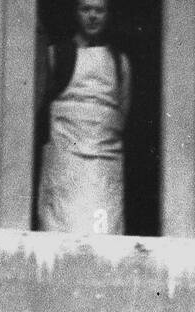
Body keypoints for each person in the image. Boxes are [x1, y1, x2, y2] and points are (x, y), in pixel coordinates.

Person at [36, 0, 131, 234]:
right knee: (61, 231)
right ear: (75, 13)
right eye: (86, 9)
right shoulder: (56, 55)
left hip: (103, 164)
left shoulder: (120, 63)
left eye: (99, 10)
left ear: (108, 14)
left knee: (102, 234)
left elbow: (122, 113)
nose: (92, 16)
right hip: (65, 164)